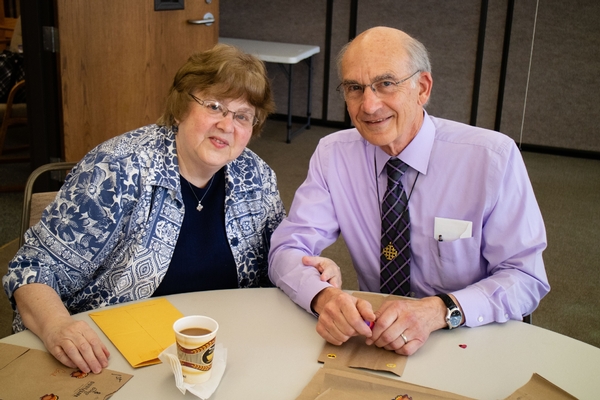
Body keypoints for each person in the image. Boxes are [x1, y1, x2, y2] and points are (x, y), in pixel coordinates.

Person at [3, 44, 304, 374]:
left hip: (222, 354)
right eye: (215, 106)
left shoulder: (255, 176)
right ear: (180, 108)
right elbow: (33, 268)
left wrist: (308, 269)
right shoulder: (117, 169)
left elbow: (278, 259)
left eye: (242, 116)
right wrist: (57, 326)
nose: (227, 125)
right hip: (112, 356)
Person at [268, 27, 550, 356]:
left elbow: (525, 277)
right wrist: (322, 297)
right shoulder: (334, 155)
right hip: (377, 338)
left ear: (422, 88)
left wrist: (440, 311)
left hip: (468, 335)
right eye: (355, 88)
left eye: (386, 84)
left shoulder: (491, 158)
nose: (369, 105)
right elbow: (287, 248)